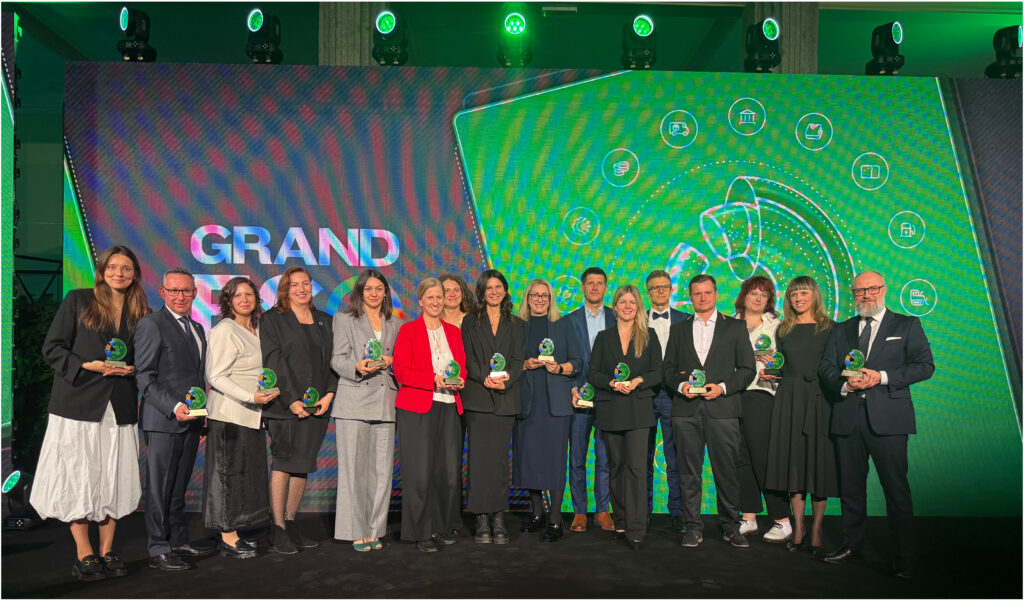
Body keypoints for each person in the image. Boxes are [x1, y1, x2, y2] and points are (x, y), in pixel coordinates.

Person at [31, 245, 150, 581]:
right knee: (78, 477)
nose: (119, 274)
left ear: (135, 274)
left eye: (126, 268)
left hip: (120, 404)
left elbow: (145, 358)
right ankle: (84, 552)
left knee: (113, 477)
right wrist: (86, 365)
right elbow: (52, 348)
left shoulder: (142, 311)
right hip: (78, 403)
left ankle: (108, 550)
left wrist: (133, 369)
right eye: (113, 267)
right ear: (102, 270)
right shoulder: (78, 300)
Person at [820, 270, 934, 579]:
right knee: (851, 488)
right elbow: (826, 368)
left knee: (896, 489)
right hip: (848, 418)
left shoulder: (906, 325)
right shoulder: (841, 329)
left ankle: (903, 556)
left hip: (889, 420)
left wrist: (881, 377)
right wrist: (845, 385)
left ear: (883, 290)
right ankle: (851, 545)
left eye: (872, 289)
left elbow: (925, 366)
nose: (866, 295)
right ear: (853, 295)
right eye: (860, 291)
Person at [662, 274, 756, 549]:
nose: (702, 297)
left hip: (723, 410)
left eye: (707, 292)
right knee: (688, 472)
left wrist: (723, 388)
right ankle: (693, 527)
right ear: (690, 297)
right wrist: (682, 386)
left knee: (726, 472)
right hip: (686, 411)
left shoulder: (735, 327)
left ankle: (731, 527)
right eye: (697, 293)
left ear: (715, 294)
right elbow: (668, 369)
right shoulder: (678, 329)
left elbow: (748, 369)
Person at [136, 267, 215, 571]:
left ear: (195, 293)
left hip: (192, 420)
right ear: (163, 292)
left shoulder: (196, 327)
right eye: (174, 290)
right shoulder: (151, 324)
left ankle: (178, 540)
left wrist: (200, 412)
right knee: (160, 488)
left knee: (179, 485)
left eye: (186, 291)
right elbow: (145, 376)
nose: (180, 296)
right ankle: (158, 548)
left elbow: (195, 376)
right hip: (163, 420)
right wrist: (174, 406)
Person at [260, 267, 337, 554]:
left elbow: (334, 360)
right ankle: (277, 526)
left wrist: (329, 394)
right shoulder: (272, 319)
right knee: (284, 462)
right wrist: (292, 399)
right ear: (285, 288)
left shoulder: (325, 320)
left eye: (306, 284)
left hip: (317, 407)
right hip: (284, 406)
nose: (301, 289)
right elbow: (273, 360)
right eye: (294, 285)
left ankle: (291, 521)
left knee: (302, 463)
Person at [203, 276, 278, 559]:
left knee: (242, 476)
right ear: (228, 301)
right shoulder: (225, 329)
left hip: (251, 415)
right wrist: (249, 396)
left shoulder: (256, 328)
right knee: (226, 476)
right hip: (229, 415)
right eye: (237, 295)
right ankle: (228, 537)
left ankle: (235, 530)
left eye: (249, 295)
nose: (244, 299)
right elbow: (215, 375)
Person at [763, 276, 838, 555]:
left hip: (820, 400)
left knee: (818, 465)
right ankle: (799, 528)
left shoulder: (831, 328)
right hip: (790, 400)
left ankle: (816, 529)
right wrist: (771, 372)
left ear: (814, 295)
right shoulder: (784, 329)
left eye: (804, 293)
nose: (798, 299)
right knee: (793, 464)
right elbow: (783, 367)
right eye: (794, 295)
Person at [393, 278, 467, 552]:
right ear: (421, 300)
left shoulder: (454, 332)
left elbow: (462, 367)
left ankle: (442, 526)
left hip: (449, 406)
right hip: (417, 408)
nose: (436, 302)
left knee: (448, 473)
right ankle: (421, 532)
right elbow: (401, 371)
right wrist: (432, 380)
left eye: (440, 297)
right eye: (431, 297)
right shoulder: (409, 330)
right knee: (420, 474)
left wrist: (460, 380)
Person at [587, 285, 662, 549]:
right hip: (611, 409)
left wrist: (639, 380)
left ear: (638, 306)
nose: (627, 306)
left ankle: (637, 527)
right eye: (622, 302)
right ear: (615, 306)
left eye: (632, 302)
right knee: (616, 468)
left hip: (639, 410)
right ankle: (620, 521)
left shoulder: (649, 336)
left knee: (637, 470)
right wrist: (610, 383)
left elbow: (658, 372)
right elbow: (593, 373)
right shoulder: (603, 337)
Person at [330, 269, 400, 552]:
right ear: (359, 292)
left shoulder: (396, 324)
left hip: (386, 402)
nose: (374, 293)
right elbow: (337, 359)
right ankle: (355, 531)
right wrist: (356, 367)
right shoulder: (344, 319)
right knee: (353, 472)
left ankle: (374, 530)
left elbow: (401, 362)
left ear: (386, 293)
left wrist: (392, 361)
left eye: (379, 289)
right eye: (368, 289)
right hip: (354, 401)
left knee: (381, 473)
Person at [513, 278, 580, 542]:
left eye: (544, 296)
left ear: (551, 299)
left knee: (554, 461)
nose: (539, 300)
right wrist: (524, 365)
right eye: (535, 295)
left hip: (556, 405)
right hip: (528, 402)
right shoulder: (517, 326)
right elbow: (508, 362)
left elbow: (577, 362)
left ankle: (555, 519)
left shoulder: (564, 325)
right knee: (529, 459)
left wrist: (559, 368)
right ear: (527, 298)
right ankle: (536, 513)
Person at [460, 269, 525, 544]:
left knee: (499, 463)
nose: (494, 292)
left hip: (506, 400)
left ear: (505, 290)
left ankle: (498, 516)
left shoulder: (517, 324)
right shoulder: (470, 322)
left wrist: (506, 379)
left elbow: (518, 359)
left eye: (498, 287)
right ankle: (481, 517)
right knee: (478, 461)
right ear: (482, 292)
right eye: (489, 287)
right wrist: (484, 377)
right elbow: (467, 357)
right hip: (478, 398)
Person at [731, 275, 792, 542]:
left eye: (763, 295)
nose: (758, 298)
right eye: (753, 293)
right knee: (740, 459)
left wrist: (777, 372)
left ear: (769, 300)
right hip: (732, 396)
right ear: (743, 296)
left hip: (761, 395)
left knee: (763, 458)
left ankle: (782, 519)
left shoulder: (778, 327)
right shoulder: (729, 324)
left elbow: (788, 363)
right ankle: (749, 516)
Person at [564, 267, 615, 533]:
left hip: (608, 398)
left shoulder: (618, 318)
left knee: (605, 458)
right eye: (590, 283)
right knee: (577, 457)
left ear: (606, 287)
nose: (595, 287)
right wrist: (572, 388)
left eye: (600, 283)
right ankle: (580, 512)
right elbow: (564, 359)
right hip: (578, 397)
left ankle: (603, 511)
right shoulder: (568, 321)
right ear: (582, 287)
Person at [642, 269, 688, 532]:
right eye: (655, 287)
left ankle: (678, 512)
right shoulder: (635, 319)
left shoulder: (685, 319)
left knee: (676, 457)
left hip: (674, 395)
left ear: (671, 289)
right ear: (648, 292)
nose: (660, 291)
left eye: (665, 286)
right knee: (642, 456)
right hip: (644, 396)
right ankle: (643, 510)